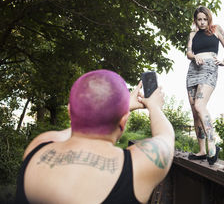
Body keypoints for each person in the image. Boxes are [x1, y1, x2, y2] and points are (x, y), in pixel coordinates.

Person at [15, 69, 174, 204]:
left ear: (70, 111)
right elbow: (165, 136)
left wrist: (120, 109)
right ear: (123, 121)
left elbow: (78, 123)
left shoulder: (38, 146)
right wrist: (154, 106)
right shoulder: (139, 165)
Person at [186, 6, 224, 165]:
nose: (202, 22)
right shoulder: (192, 33)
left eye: (205, 19)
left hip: (209, 69)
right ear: (195, 20)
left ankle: (212, 143)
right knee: (195, 112)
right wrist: (194, 56)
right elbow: (189, 52)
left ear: (209, 18)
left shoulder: (216, 29)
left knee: (200, 105)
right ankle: (202, 151)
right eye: (199, 19)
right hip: (193, 71)